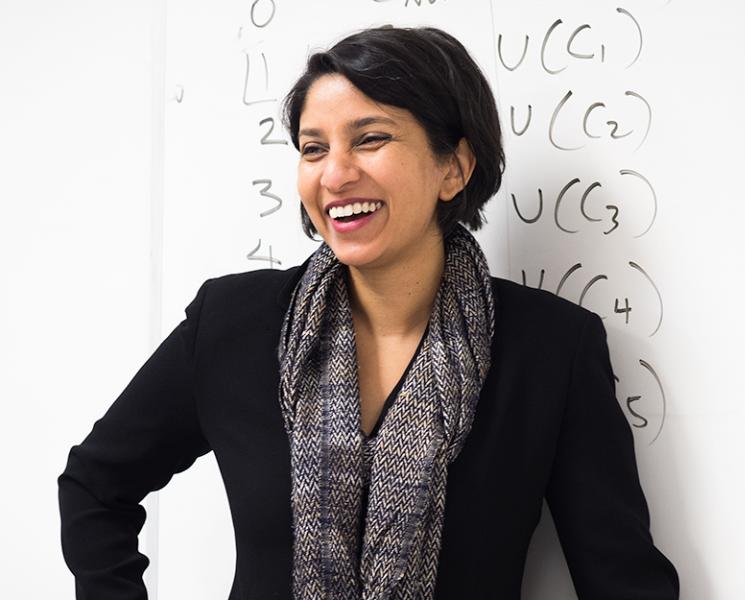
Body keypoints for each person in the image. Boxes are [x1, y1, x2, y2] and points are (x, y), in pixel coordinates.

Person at [58, 25, 679, 599]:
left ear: (454, 167)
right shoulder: (232, 324)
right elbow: (94, 487)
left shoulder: (550, 349)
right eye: (312, 148)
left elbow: (622, 579)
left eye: (370, 139)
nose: (335, 174)